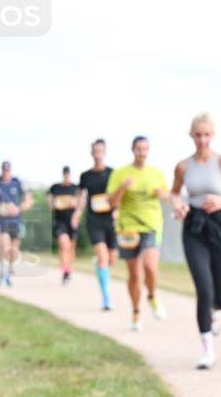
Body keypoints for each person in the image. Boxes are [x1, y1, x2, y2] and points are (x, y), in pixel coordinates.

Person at [170, 113, 221, 369]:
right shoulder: (183, 166)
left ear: (212, 136)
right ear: (191, 136)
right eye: (198, 135)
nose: (202, 140)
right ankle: (207, 349)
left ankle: (215, 311)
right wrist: (179, 205)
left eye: (206, 135)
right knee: (203, 289)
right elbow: (174, 193)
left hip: (219, 224)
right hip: (193, 226)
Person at [107, 136, 169, 331]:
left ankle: (152, 295)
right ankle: (136, 312)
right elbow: (111, 202)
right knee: (134, 274)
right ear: (132, 150)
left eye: (145, 149)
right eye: (138, 149)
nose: (142, 153)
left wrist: (162, 194)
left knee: (150, 267)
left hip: (151, 225)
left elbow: (168, 195)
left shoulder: (156, 173)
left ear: (148, 151)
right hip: (128, 228)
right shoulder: (120, 173)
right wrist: (123, 187)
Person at [77, 139, 117, 309]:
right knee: (103, 257)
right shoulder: (85, 176)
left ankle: (100, 263)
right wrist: (77, 213)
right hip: (94, 219)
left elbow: (120, 194)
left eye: (101, 150)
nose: (98, 153)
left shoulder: (113, 173)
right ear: (92, 153)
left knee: (111, 259)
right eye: (96, 150)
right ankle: (106, 297)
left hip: (111, 219)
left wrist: (118, 210)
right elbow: (81, 197)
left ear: (105, 152)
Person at [0, 161, 33, 286]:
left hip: (16, 220)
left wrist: (18, 208)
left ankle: (8, 268)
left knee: (13, 250)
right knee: (4, 245)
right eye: (4, 170)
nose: (6, 173)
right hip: (1, 221)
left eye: (7, 171)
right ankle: (3, 273)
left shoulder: (17, 182)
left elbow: (28, 200)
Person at [48, 165, 80, 284]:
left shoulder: (75, 188)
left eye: (68, 173)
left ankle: (69, 270)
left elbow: (81, 202)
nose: (66, 175)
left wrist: (76, 210)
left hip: (72, 221)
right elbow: (50, 201)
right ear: (63, 174)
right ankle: (65, 272)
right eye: (65, 173)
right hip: (60, 221)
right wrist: (53, 204)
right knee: (64, 245)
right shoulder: (55, 188)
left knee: (71, 247)